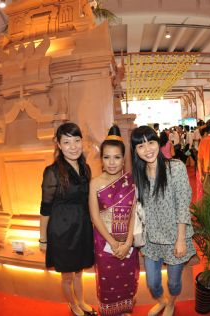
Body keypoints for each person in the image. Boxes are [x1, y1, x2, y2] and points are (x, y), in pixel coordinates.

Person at [130, 126, 196, 316]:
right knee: (152, 282)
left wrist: (181, 239)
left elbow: (183, 204)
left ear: (158, 143)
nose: (147, 149)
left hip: (175, 236)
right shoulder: (138, 176)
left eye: (151, 142)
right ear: (135, 150)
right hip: (151, 239)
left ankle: (171, 303)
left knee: (174, 282)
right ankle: (162, 300)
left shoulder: (175, 167)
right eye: (140, 146)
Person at [39, 122, 96, 316]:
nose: (73, 146)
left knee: (80, 271)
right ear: (59, 145)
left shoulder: (86, 168)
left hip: (82, 227)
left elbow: (89, 200)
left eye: (77, 141)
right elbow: (45, 209)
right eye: (67, 142)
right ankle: (72, 304)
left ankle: (81, 300)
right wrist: (43, 239)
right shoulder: (52, 172)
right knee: (67, 276)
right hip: (62, 230)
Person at [89, 125, 139, 316]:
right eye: (107, 157)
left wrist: (127, 243)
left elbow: (134, 212)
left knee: (127, 279)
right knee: (108, 280)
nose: (112, 162)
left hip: (127, 243)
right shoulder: (95, 183)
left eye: (116, 157)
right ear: (101, 159)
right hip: (104, 243)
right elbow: (94, 216)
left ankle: (125, 310)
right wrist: (113, 243)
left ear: (123, 159)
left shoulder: (131, 182)